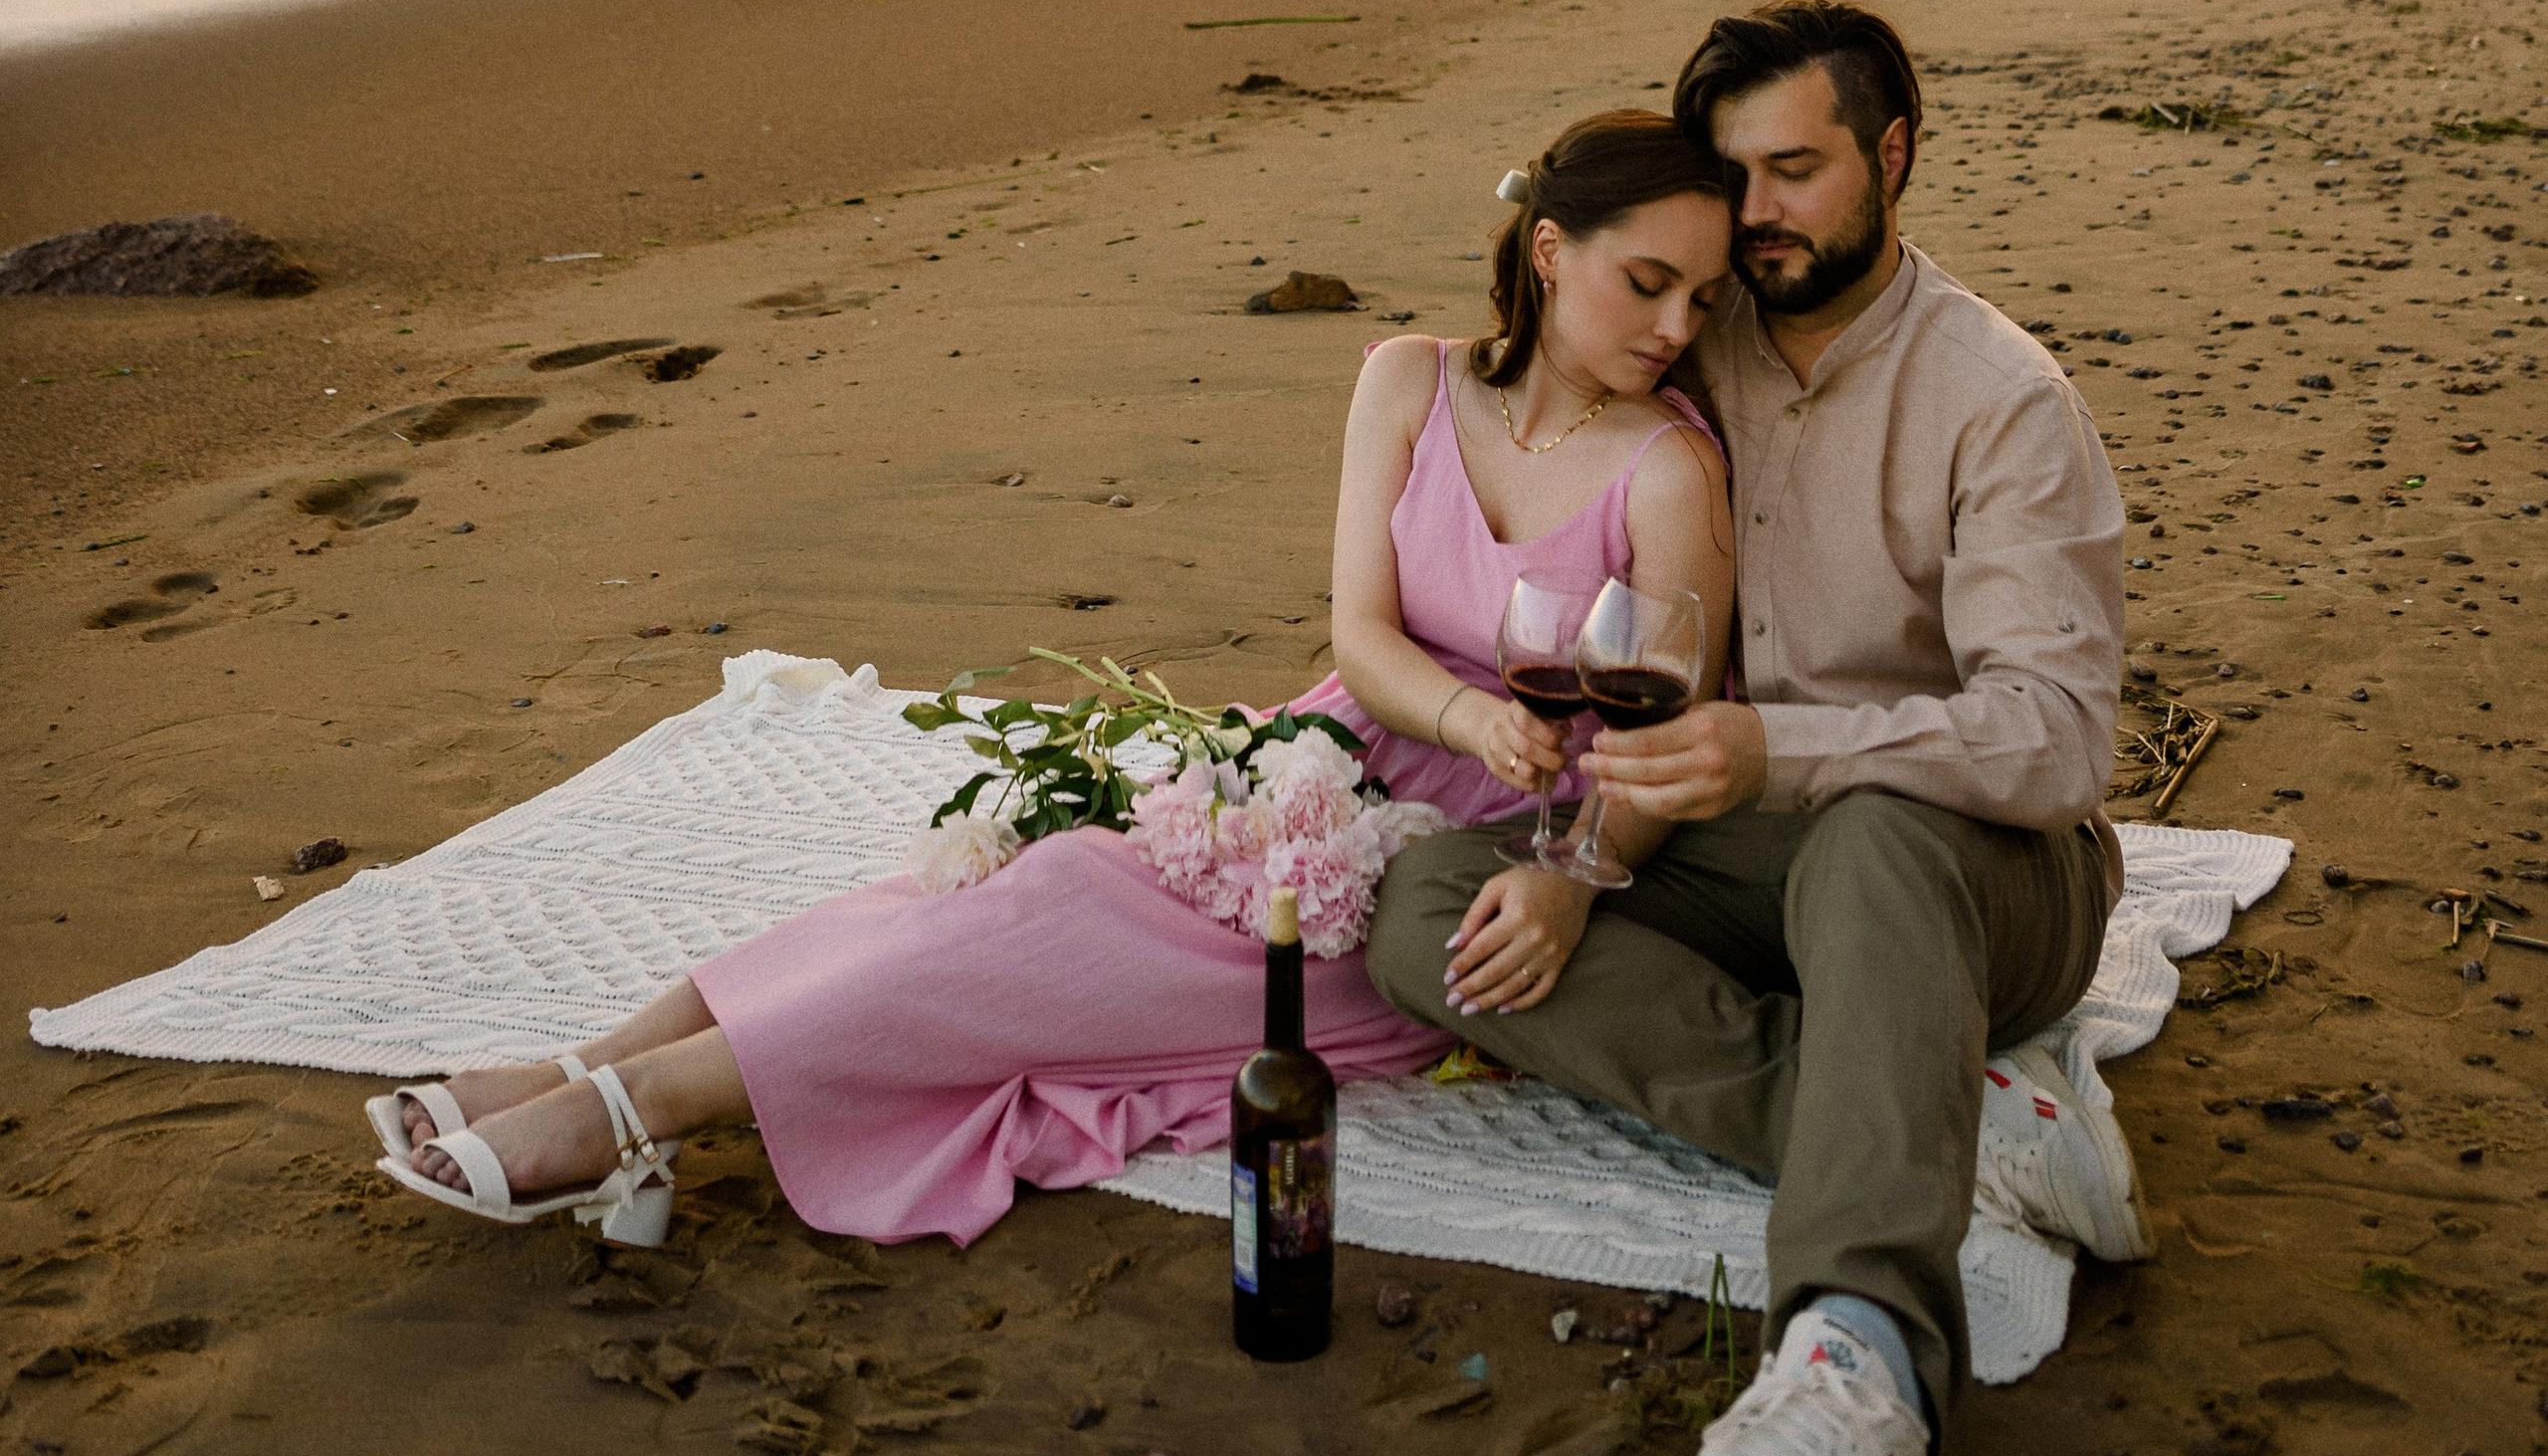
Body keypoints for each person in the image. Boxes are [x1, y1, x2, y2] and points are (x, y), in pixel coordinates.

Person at [369, 107, 1740, 1253]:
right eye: (1650, 281)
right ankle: (584, 1065)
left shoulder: (1667, 468)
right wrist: (1461, 713)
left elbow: (1666, 739)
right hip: (1330, 746)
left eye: (1702, 295)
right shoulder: (1408, 382)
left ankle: (635, 1116)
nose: (1679, 322)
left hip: (1468, 855)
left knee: (1058, 931)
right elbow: (1362, 633)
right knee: (1009, 873)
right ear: (1551, 253)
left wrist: (1567, 876)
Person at [1366, 0, 2143, 1456]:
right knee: (1432, 910)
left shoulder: (1999, 397)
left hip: (1989, 869)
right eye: (1737, 177)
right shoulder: (1684, 336)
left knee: (1872, 831)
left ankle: (1857, 1373)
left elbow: (2063, 742)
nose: (1760, 215)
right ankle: (1956, 1126)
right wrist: (1578, 854)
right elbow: (1523, 370)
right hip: (1731, 845)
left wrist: (1783, 753)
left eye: (1797, 169)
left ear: (1893, 157)